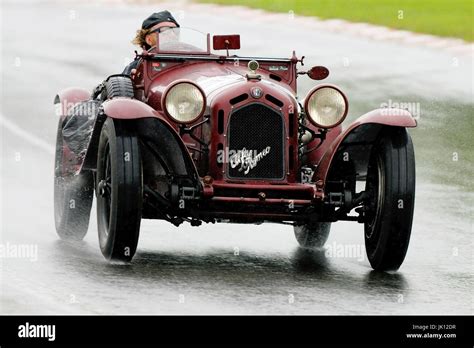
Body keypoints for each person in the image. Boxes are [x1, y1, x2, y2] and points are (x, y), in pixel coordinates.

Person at [123, 11, 180, 75]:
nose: (173, 35)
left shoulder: (189, 61)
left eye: (175, 31)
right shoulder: (135, 68)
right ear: (149, 40)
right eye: (165, 31)